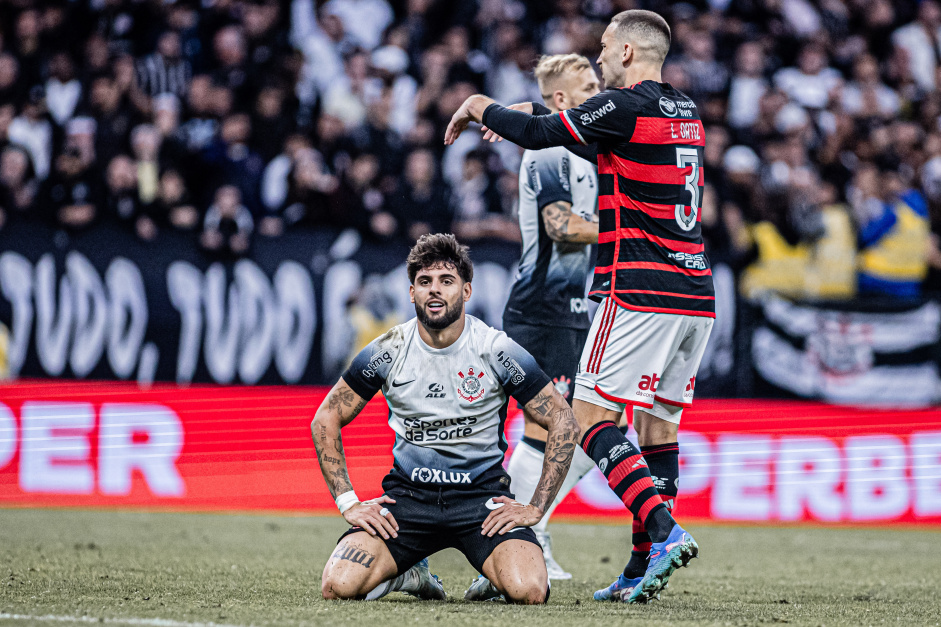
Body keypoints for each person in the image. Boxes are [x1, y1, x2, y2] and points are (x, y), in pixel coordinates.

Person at [445, 9, 715, 604]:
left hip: (639, 290)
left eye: (602, 47)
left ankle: (664, 534)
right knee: (657, 430)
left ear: (625, 52)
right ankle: (642, 567)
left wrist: (477, 103)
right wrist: (533, 114)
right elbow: (590, 143)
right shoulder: (685, 113)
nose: (597, 56)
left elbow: (550, 138)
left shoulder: (626, 106)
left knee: (588, 419)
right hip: (696, 295)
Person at [312, 233, 579, 605]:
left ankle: (495, 579)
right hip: (408, 501)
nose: (434, 291)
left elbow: (564, 420)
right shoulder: (388, 349)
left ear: (466, 291)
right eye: (424, 282)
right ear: (411, 293)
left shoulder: (495, 349)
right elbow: (325, 417)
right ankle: (411, 573)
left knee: (529, 590)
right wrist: (348, 502)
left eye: (446, 281)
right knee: (337, 585)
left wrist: (535, 507)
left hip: (481, 503)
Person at [491, 53, 603, 582]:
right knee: (549, 429)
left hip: (578, 311)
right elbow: (560, 225)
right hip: (542, 311)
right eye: (588, 86)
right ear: (563, 101)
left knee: (598, 425)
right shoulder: (549, 154)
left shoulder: (587, 151)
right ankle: (524, 533)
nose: (599, 91)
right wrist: (630, 226)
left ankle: (530, 526)